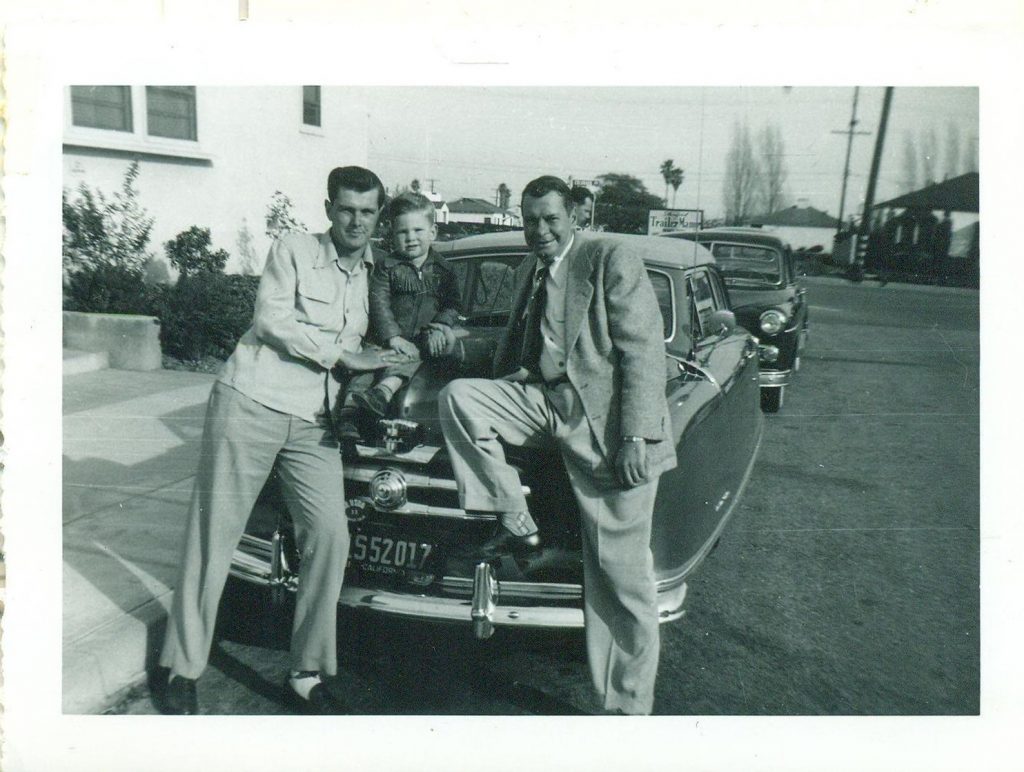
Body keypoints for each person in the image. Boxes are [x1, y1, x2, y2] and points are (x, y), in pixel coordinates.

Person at [159, 166, 403, 715]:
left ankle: (306, 671)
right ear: (328, 209)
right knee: (214, 534)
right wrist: (343, 355)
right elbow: (269, 319)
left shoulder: (373, 276)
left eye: (367, 212)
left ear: (378, 216)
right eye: (346, 209)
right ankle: (181, 666)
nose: (356, 221)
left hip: (314, 420)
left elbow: (395, 330)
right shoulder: (293, 248)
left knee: (330, 534)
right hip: (251, 402)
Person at [438, 175, 676, 715]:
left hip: (609, 429)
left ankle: (627, 710)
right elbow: (535, 345)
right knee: (461, 399)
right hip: (547, 404)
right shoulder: (532, 268)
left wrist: (637, 436)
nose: (539, 230)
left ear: (575, 217)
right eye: (530, 220)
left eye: (550, 219)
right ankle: (515, 517)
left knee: (619, 577)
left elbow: (643, 352)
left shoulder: (610, 257)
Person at [339, 192, 461, 428]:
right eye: (402, 232)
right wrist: (392, 336)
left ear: (433, 232)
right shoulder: (387, 267)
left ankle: (383, 393)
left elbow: (453, 304)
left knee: (409, 359)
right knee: (364, 372)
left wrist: (441, 326)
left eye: (418, 231)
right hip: (384, 338)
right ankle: (348, 418)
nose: (411, 238)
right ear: (392, 235)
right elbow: (379, 302)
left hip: (419, 340)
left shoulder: (444, 270)